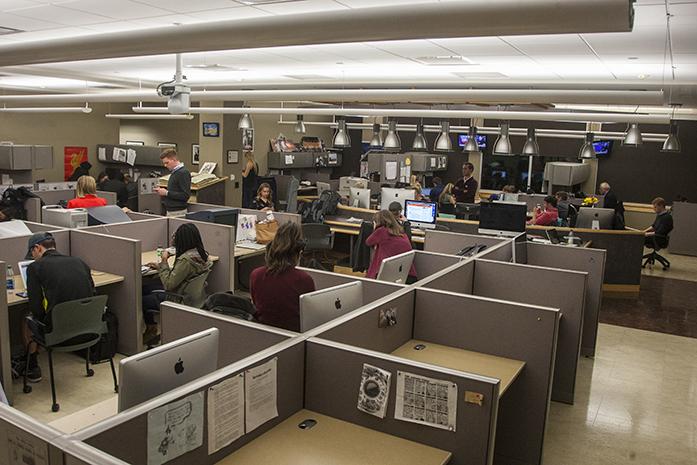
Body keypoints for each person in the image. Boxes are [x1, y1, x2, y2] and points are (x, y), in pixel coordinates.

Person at [18, 232, 95, 383]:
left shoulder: (35, 268)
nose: (33, 258)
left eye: (32, 253)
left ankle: (32, 367)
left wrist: (40, 324)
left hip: (58, 334)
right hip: (88, 329)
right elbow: (93, 292)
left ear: (38, 248)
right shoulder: (79, 262)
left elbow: (35, 307)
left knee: (26, 316)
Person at [143, 223, 213, 342]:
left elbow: (169, 284)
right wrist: (160, 268)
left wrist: (164, 260)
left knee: (140, 299)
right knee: (146, 288)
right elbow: (183, 274)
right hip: (192, 296)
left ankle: (151, 328)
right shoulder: (202, 254)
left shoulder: (185, 260)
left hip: (177, 298)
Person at [250, 223, 315, 332]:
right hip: (294, 338)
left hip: (262, 334)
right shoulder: (304, 279)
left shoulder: (256, 275)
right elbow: (310, 316)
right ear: (299, 251)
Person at [365, 210, 416, 282]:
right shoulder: (401, 231)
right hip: (407, 274)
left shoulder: (381, 231)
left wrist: (374, 228)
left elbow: (368, 242)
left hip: (387, 275)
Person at [156, 148, 191, 217]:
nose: (165, 165)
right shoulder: (175, 172)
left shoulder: (183, 173)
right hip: (171, 211)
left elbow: (185, 195)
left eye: (167, 162)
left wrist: (166, 193)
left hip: (178, 212)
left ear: (174, 160)